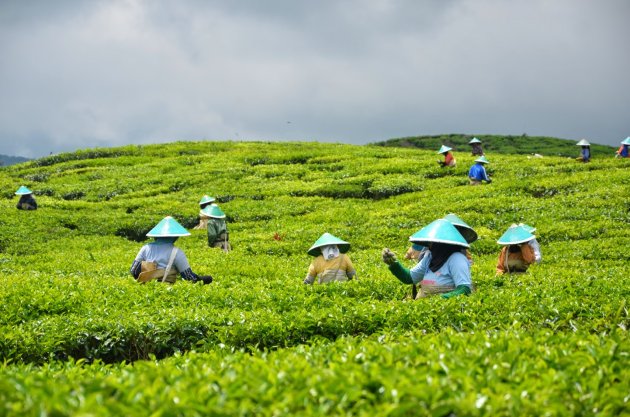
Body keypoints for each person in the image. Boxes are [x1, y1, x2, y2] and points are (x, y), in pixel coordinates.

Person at [382, 219, 473, 299]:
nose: (429, 246)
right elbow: (410, 278)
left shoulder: (457, 259)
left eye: (432, 243)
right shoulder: (430, 257)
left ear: (441, 244)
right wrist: (393, 264)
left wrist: (438, 300)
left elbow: (464, 289)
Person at [130, 216, 212, 284]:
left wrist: (148, 276)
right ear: (176, 236)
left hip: (146, 291)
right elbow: (189, 277)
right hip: (167, 292)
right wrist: (204, 279)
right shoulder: (177, 252)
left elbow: (134, 270)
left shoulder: (145, 248)